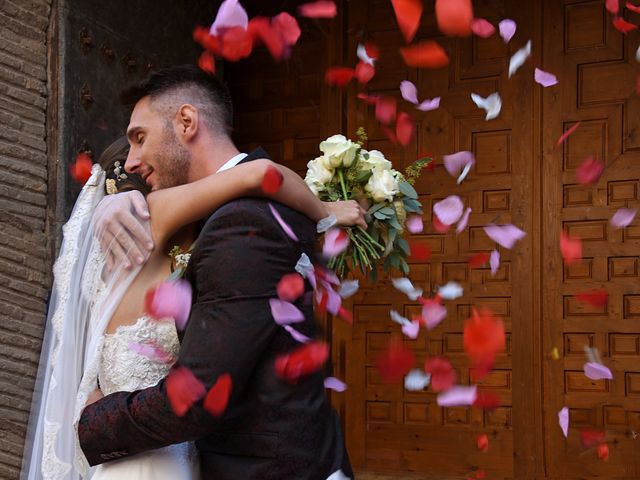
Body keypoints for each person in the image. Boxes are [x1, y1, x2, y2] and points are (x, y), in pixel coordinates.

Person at [27, 65, 357, 480]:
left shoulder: (242, 220)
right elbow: (262, 175)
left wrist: (93, 422)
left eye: (139, 138)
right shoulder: (179, 219)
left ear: (186, 121)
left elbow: (199, 394)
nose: (131, 161)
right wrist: (323, 210)